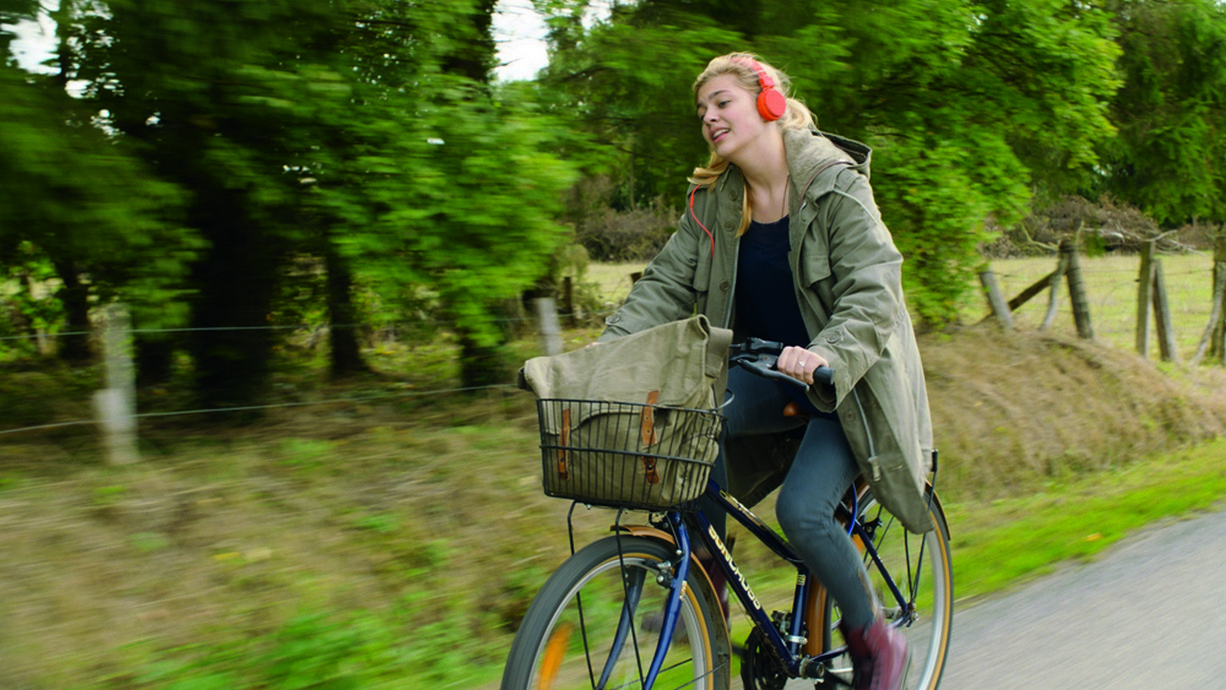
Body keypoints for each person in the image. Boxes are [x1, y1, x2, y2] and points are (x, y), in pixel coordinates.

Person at [597, 53, 935, 690]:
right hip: (768, 375)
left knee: (802, 512)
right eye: (702, 109)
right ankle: (706, 588)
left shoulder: (833, 183)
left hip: (845, 385)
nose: (708, 117)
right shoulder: (715, 201)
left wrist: (827, 353)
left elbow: (874, 287)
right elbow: (664, 286)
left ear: (769, 101)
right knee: (687, 426)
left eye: (722, 102)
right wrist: (602, 356)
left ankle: (875, 641)